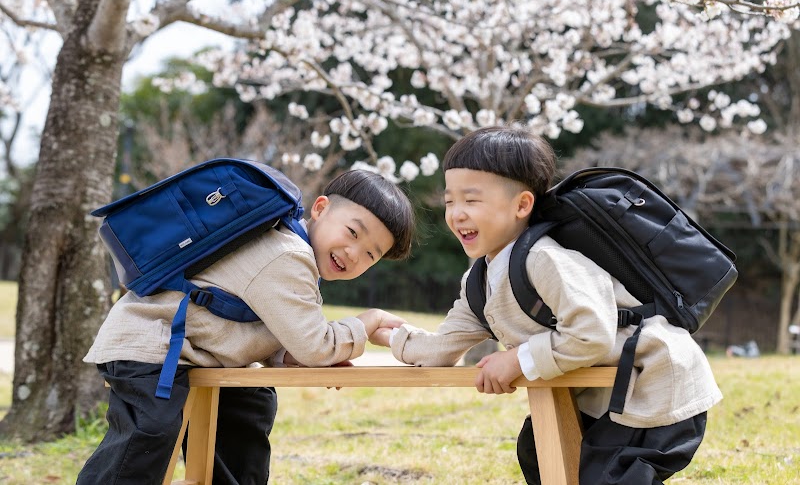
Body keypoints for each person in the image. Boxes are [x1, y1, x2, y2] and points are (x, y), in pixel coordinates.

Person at [384, 126, 721, 485]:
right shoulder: (479, 282)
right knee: (537, 454)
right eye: (450, 201)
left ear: (522, 205)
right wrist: (388, 335)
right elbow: (442, 347)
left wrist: (516, 359)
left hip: (654, 389)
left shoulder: (546, 259)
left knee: (603, 477)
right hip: (599, 395)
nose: (457, 214)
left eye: (472, 200)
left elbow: (592, 334)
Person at [77, 169, 415, 485]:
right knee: (148, 436)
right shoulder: (288, 255)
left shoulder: (291, 253)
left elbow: (274, 330)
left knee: (249, 406)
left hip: (201, 354)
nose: (354, 253)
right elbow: (316, 344)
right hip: (153, 344)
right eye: (353, 233)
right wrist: (367, 323)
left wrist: (292, 357)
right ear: (321, 209)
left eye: (371, 255)